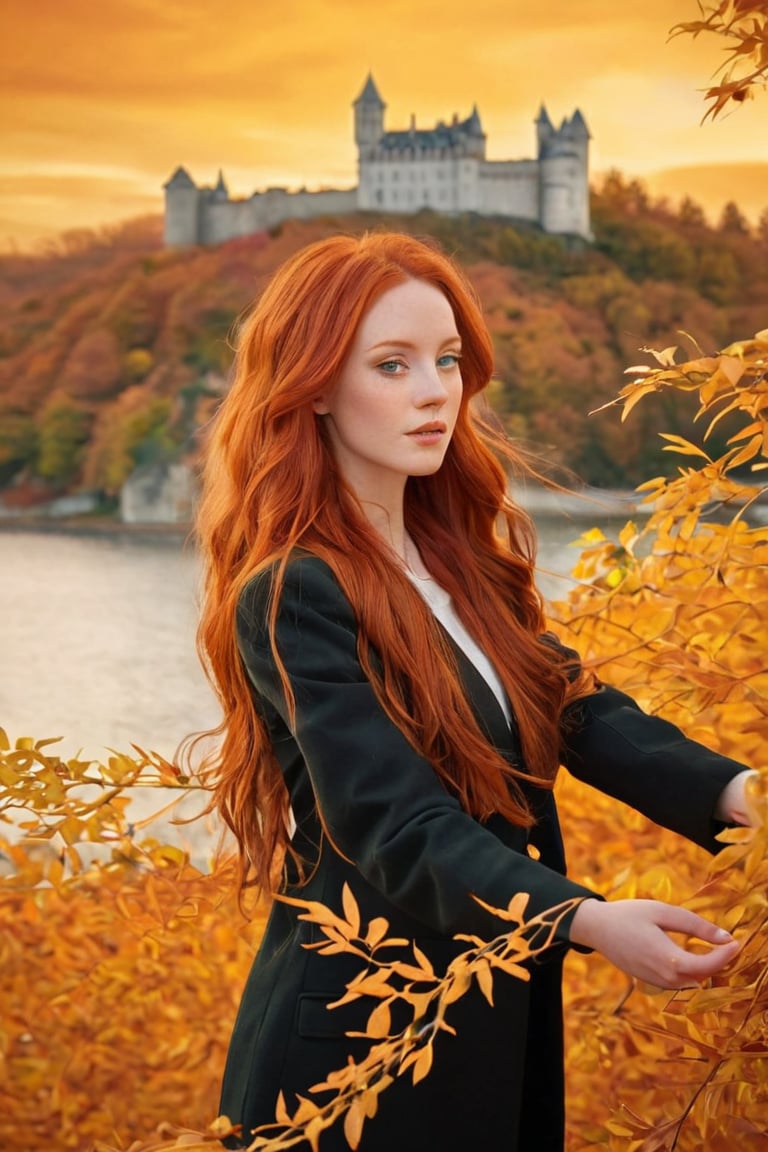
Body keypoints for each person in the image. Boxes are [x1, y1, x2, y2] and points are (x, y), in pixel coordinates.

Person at [193, 232, 755, 1152]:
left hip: (493, 1017)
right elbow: (396, 827)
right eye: (392, 363)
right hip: (358, 1053)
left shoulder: (462, 564)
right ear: (316, 387)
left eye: (448, 360)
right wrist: (588, 920)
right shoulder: (295, 591)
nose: (434, 390)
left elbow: (583, 713)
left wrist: (740, 796)